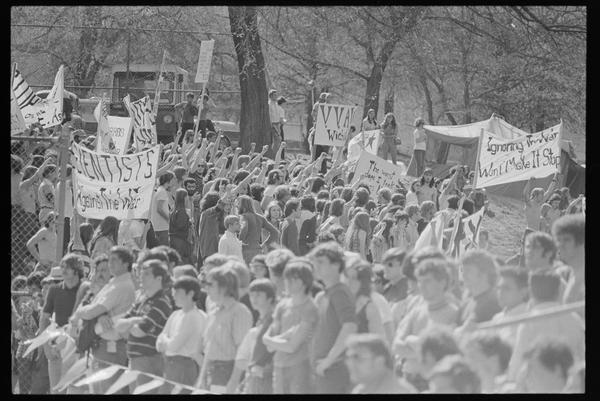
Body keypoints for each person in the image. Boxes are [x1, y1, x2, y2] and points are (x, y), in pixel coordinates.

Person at [69, 246, 136, 394]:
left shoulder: (121, 285)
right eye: (110, 259)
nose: (111, 263)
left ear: (126, 264)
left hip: (111, 348)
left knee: (107, 390)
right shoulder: (115, 283)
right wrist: (97, 314)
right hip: (101, 346)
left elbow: (91, 311)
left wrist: (82, 312)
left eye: (114, 260)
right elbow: (91, 310)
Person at [507, 270, 584, 381]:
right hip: (571, 381)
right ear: (559, 291)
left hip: (540, 382)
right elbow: (582, 355)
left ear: (531, 292)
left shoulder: (528, 322)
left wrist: (511, 380)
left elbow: (518, 360)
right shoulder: (575, 319)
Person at [114, 259, 173, 394]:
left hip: (150, 360)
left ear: (158, 278)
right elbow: (118, 326)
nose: (141, 276)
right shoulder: (142, 300)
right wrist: (135, 320)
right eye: (141, 273)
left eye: (146, 274)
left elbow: (140, 331)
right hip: (135, 361)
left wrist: (129, 325)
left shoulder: (161, 302)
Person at [263, 258, 319, 393]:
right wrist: (285, 336)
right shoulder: (282, 305)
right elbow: (268, 345)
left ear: (304, 281)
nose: (286, 282)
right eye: (286, 278)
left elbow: (292, 346)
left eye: (292, 279)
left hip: (301, 367)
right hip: (278, 367)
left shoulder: (310, 307)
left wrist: (270, 340)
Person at [309, 242, 357, 394]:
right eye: (315, 262)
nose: (316, 266)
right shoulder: (325, 294)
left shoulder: (340, 292)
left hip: (335, 371)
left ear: (336, 264)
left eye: (321, 262)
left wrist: (328, 361)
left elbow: (350, 327)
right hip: (324, 372)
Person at [199, 266, 253, 392]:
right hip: (211, 372)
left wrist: (233, 382)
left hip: (229, 372)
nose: (206, 288)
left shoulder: (239, 312)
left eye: (210, 284)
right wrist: (202, 377)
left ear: (224, 287)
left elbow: (243, 352)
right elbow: (209, 348)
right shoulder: (214, 311)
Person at [393, 258, 459, 358]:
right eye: (420, 281)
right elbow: (396, 346)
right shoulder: (416, 312)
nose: (422, 286)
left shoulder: (454, 314)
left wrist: (410, 340)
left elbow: (443, 353)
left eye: (427, 281)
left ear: (442, 282)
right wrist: (424, 352)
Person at [38, 254, 85, 393]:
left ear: (77, 270)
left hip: (80, 347)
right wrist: (46, 348)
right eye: (62, 267)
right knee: (57, 391)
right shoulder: (54, 290)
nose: (63, 270)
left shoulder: (87, 289)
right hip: (57, 347)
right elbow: (44, 319)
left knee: (77, 391)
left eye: (67, 267)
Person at [156, 276, 207, 391]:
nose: (173, 296)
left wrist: (165, 340)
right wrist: (165, 340)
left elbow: (173, 346)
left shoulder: (194, 316)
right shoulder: (175, 314)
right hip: (170, 365)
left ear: (191, 294)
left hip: (184, 366)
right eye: (173, 292)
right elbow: (158, 343)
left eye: (178, 292)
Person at [238, 279, 277, 394]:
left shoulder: (274, 321)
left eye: (258, 295)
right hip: (254, 380)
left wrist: (266, 371)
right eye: (252, 295)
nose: (254, 299)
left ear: (270, 298)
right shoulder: (261, 321)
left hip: (268, 381)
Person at [345, 333, 415, 394]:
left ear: (379, 361)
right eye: (348, 358)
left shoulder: (397, 390)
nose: (350, 363)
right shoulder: (361, 390)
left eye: (357, 357)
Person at [457, 250, 501, 329]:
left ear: (484, 273)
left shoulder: (495, 302)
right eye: (463, 270)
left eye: (468, 270)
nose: (463, 275)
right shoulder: (465, 304)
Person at [342, 260, 385, 338]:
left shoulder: (370, 308)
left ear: (364, 282)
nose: (349, 282)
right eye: (347, 277)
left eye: (354, 278)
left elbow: (379, 339)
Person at [489, 266, 529, 345]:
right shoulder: (497, 318)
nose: (500, 292)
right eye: (499, 288)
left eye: (506, 288)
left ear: (523, 292)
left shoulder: (529, 318)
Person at [552, 214, 585, 305]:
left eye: (566, 240)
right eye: (559, 240)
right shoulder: (572, 273)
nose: (560, 245)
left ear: (581, 242)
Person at [237, 195, 279, 265]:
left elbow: (244, 228)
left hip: (245, 250)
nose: (237, 206)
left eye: (238, 204)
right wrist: (264, 244)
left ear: (242, 205)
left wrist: (239, 242)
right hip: (258, 250)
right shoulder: (260, 217)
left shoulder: (244, 216)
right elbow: (275, 232)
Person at [197, 192, 226, 266]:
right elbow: (219, 206)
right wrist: (228, 193)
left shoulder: (209, 215)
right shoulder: (208, 213)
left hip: (211, 250)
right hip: (210, 251)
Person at [152, 171, 177, 247]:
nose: (175, 181)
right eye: (173, 179)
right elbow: (159, 209)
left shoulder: (161, 190)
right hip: (162, 227)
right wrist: (169, 220)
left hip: (160, 227)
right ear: (169, 180)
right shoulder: (162, 191)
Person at [169, 188, 193, 264]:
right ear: (184, 198)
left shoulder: (174, 209)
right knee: (182, 263)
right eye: (186, 197)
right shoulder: (182, 211)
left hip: (174, 240)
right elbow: (181, 225)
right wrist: (189, 222)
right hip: (180, 241)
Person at [268, 89, 283, 159]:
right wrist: (271, 124)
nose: (276, 96)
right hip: (273, 124)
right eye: (274, 95)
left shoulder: (276, 105)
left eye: (276, 95)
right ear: (271, 96)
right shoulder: (269, 104)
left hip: (278, 124)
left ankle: (276, 156)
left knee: (278, 141)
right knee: (277, 140)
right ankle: (274, 157)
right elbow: (269, 115)